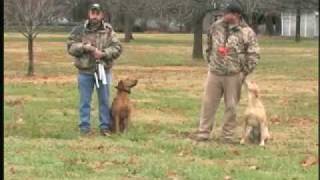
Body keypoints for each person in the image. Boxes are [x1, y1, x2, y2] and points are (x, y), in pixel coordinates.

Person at [195, 1, 260, 143]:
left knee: (231, 106)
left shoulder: (246, 32)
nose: (225, 15)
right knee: (208, 104)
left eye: (228, 13)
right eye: (224, 13)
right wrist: (211, 62)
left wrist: (244, 73)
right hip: (215, 73)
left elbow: (254, 54)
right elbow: (209, 46)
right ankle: (203, 132)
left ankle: (227, 135)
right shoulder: (215, 27)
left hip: (234, 75)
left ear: (236, 15)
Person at [67, 3, 122, 136]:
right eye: (93, 13)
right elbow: (70, 47)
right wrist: (84, 47)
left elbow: (117, 48)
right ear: (89, 14)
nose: (95, 16)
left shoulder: (109, 30)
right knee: (84, 101)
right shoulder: (79, 30)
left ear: (101, 15)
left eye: (97, 13)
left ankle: (104, 127)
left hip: (103, 71)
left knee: (104, 100)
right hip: (85, 72)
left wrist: (103, 53)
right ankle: (84, 128)